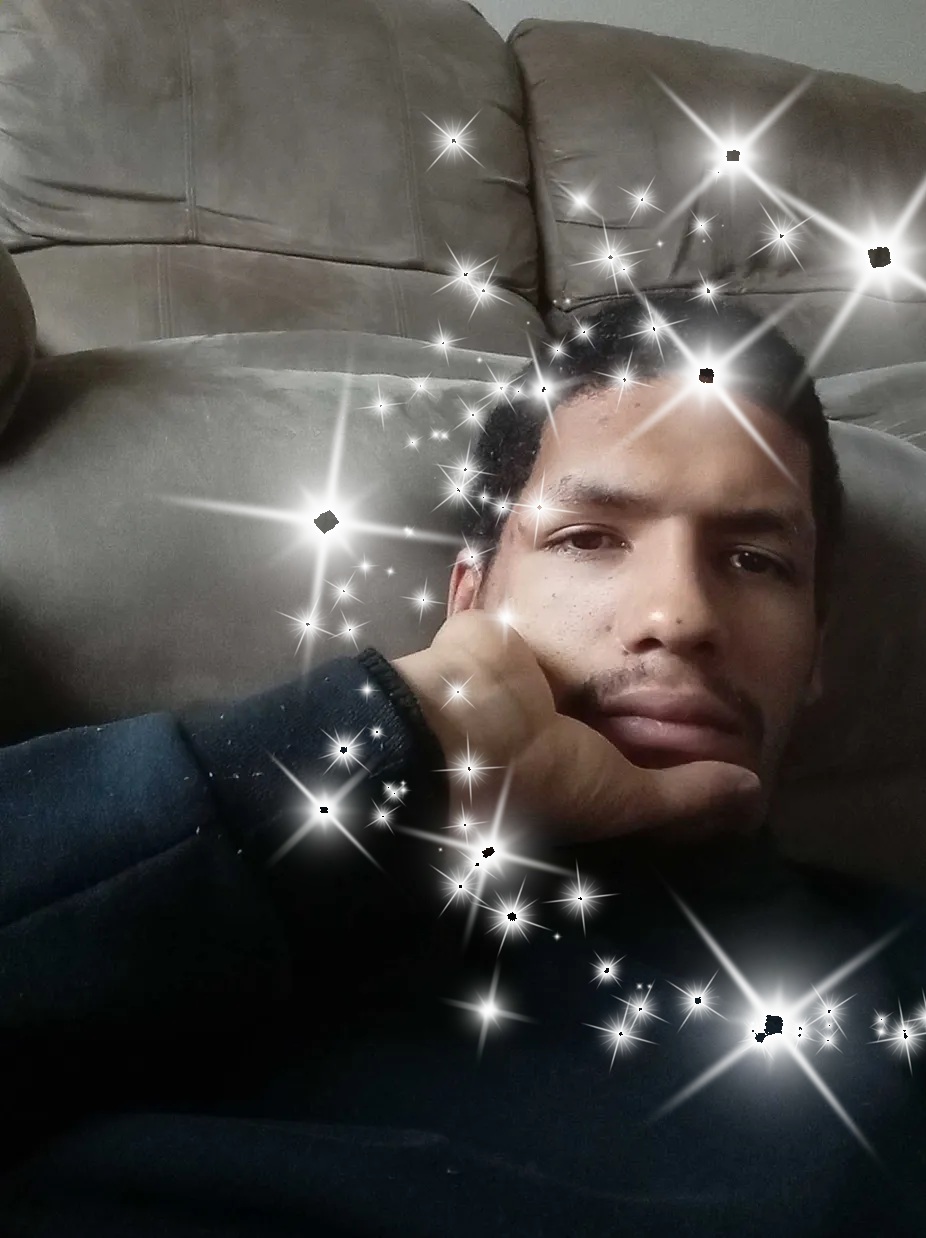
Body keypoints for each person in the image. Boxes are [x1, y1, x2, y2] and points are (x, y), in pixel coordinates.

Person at [2, 291, 925, 1237]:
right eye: (588, 538)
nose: (679, 616)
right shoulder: (222, 873)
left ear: (817, 651)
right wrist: (410, 730)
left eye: (757, 560)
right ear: (470, 601)